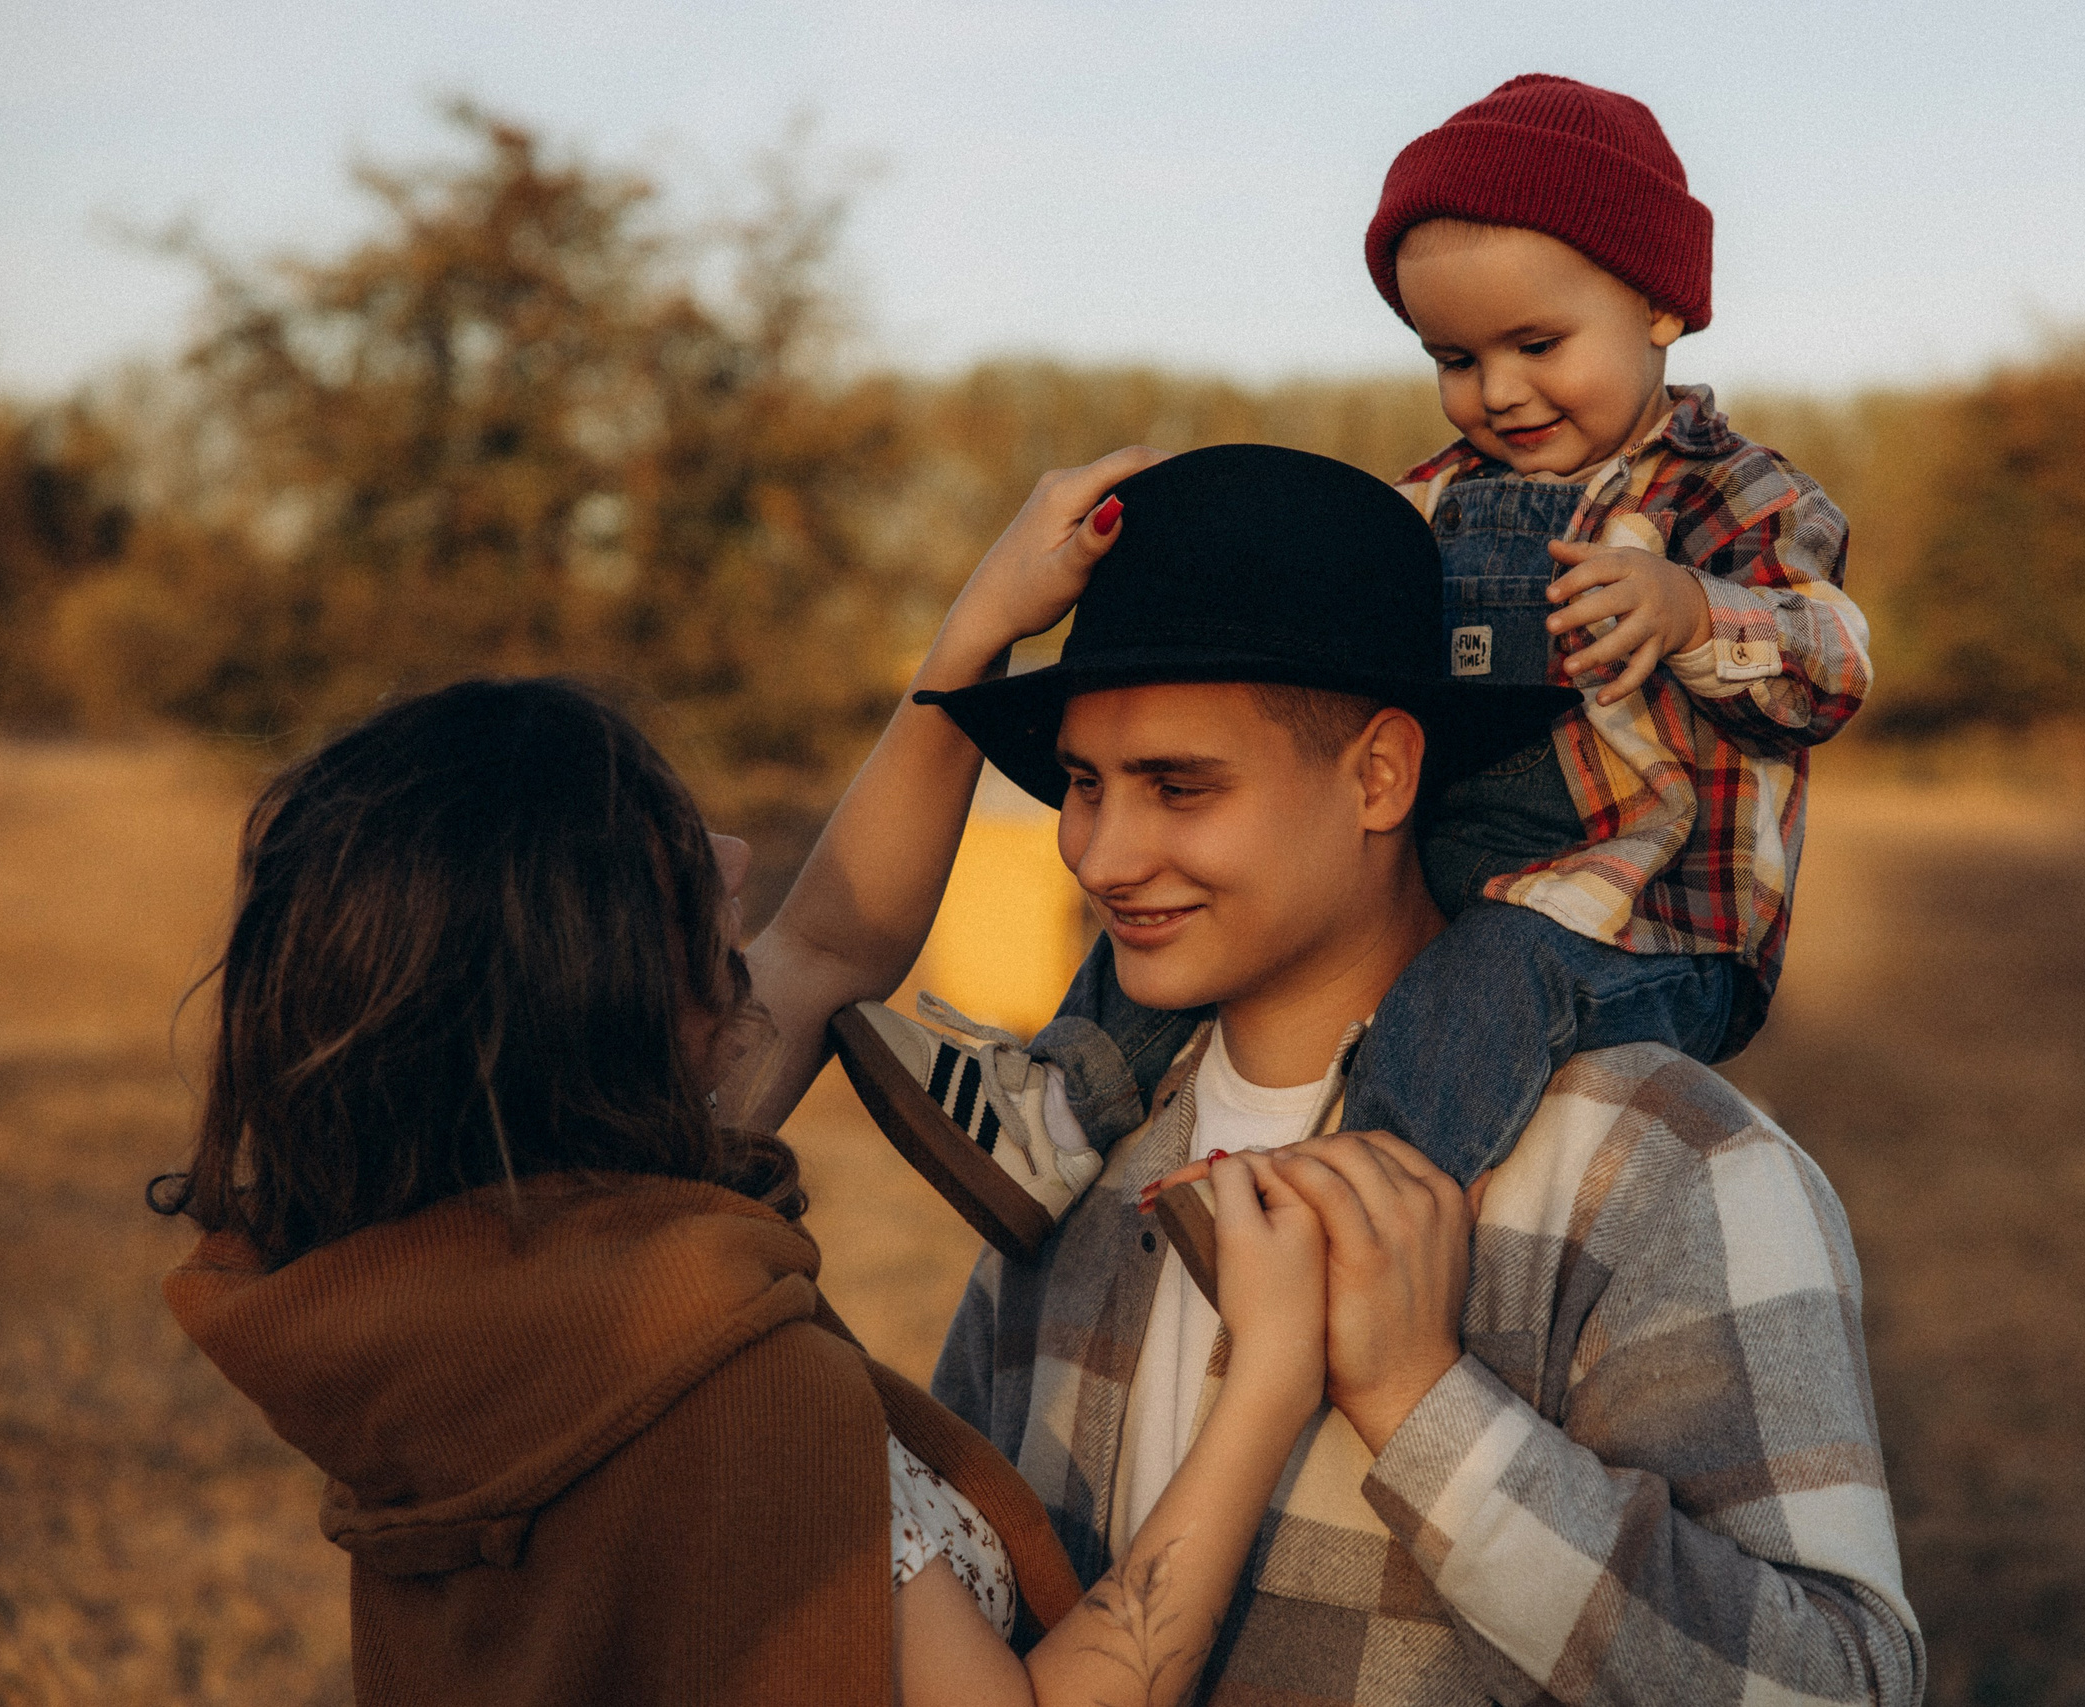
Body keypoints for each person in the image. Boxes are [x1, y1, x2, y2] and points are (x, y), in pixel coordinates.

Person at [154, 454, 1338, 1707]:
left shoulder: (443, 1294)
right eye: (664, 865)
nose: (728, 855)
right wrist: (1268, 1379)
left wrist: (976, 633)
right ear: (585, 985)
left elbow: (828, 943)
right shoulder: (722, 1384)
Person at [919, 443, 1922, 1704]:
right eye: (1081, 784)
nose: (1104, 855)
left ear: (1382, 774)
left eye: (1179, 787)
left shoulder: (1661, 1161)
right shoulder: (1071, 1150)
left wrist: (1421, 1400)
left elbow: (1839, 1685)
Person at [831, 75, 1873, 1263]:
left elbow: (1830, 671)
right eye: (1455, 356)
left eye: (1537, 344)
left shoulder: (1733, 495)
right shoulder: (1429, 503)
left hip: (1645, 922)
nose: (1499, 391)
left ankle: (1358, 1225)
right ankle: (1051, 1111)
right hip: (1456, 865)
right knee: (1171, 904)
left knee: (1486, 981)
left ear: (1659, 308)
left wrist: (1692, 611)